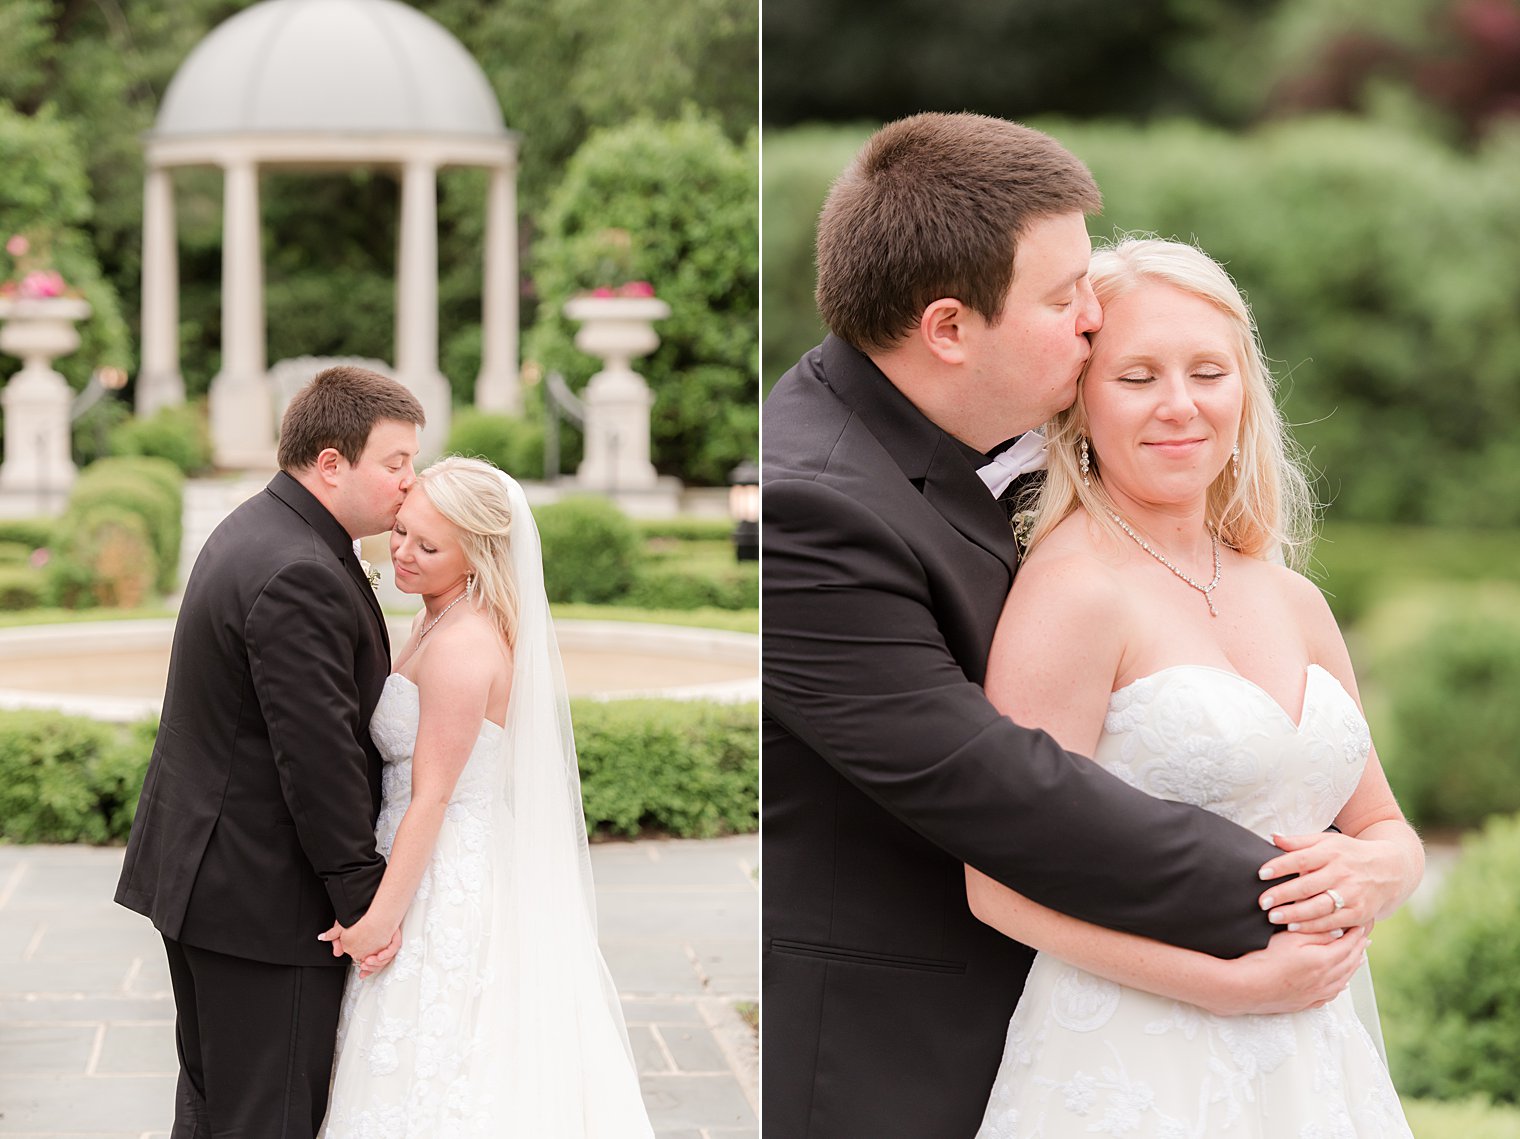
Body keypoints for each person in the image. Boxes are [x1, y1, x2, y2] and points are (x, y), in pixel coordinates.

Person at [762, 113, 1307, 1137]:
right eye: (1065, 299)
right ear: (948, 329)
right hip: (880, 1055)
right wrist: (1293, 882)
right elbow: (995, 785)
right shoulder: (811, 506)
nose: (1094, 322)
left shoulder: (963, 438)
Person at [967, 237, 1422, 1135]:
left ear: (1244, 388)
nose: (1180, 405)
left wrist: (1381, 872)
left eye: (1207, 371)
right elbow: (996, 882)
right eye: (1137, 377)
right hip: (1137, 1060)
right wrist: (1229, 986)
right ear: (1079, 400)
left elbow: (1386, 826)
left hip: (1315, 1060)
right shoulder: (1073, 592)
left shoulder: (1292, 596)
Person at [114, 365, 425, 1137]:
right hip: (261, 900)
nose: (409, 484)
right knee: (269, 1116)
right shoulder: (298, 570)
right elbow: (315, 759)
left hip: (208, 880)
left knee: (218, 1106)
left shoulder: (264, 526)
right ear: (330, 462)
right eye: (396, 463)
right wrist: (366, 904)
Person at [316, 456, 655, 1137]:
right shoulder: (436, 617)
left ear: (476, 555)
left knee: (441, 1056)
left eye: (428, 546)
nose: (403, 554)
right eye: (403, 533)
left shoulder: (464, 645)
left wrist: (380, 917)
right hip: (419, 845)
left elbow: (433, 797)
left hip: (443, 866)